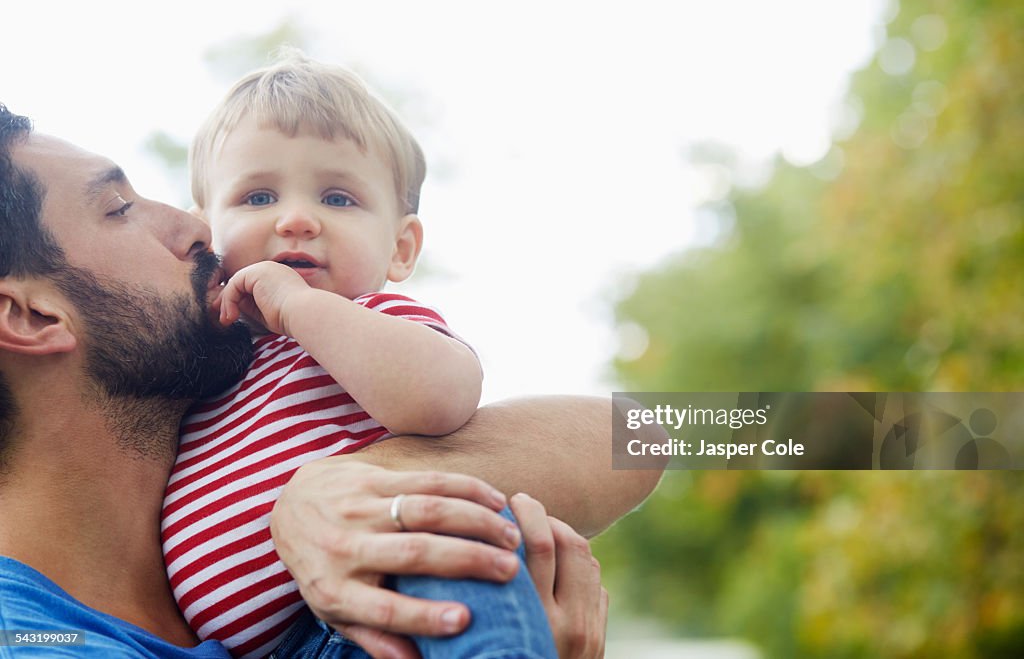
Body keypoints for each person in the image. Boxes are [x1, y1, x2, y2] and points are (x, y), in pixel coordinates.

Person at [0, 104, 663, 658]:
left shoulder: (275, 390)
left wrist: (338, 483)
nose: (195, 225)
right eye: (119, 207)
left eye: (338, 196)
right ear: (29, 314)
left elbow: (640, 433)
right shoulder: (33, 637)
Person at [161, 51, 547, 657]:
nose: (296, 220)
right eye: (258, 197)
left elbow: (443, 397)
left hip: (381, 603)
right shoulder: (203, 363)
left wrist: (297, 308)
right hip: (276, 649)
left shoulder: (373, 321)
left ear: (400, 248)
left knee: (445, 538)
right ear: (205, 234)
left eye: (338, 199)